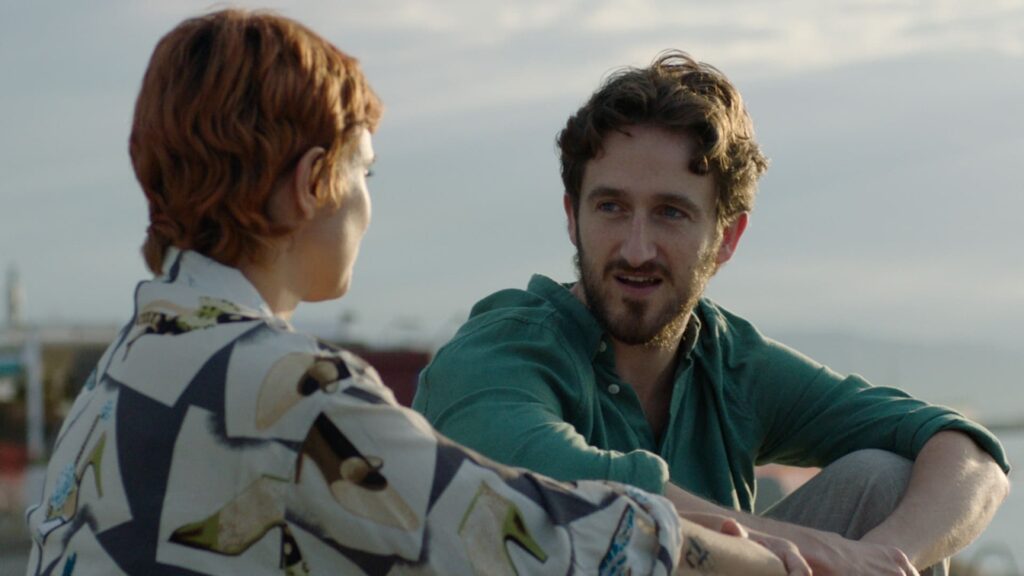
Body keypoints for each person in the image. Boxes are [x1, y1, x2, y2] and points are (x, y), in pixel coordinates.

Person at [23, 12, 801, 576]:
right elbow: (544, 540)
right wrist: (780, 560)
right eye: (363, 171)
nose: (367, 203)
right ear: (312, 183)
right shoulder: (290, 392)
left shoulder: (117, 376)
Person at [413, 51, 1011, 576]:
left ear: (726, 237)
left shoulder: (730, 362)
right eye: (612, 207)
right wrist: (810, 549)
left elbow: (967, 453)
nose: (636, 249)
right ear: (573, 216)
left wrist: (882, 558)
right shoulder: (498, 352)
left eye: (670, 213)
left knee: (885, 481)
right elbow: (563, 480)